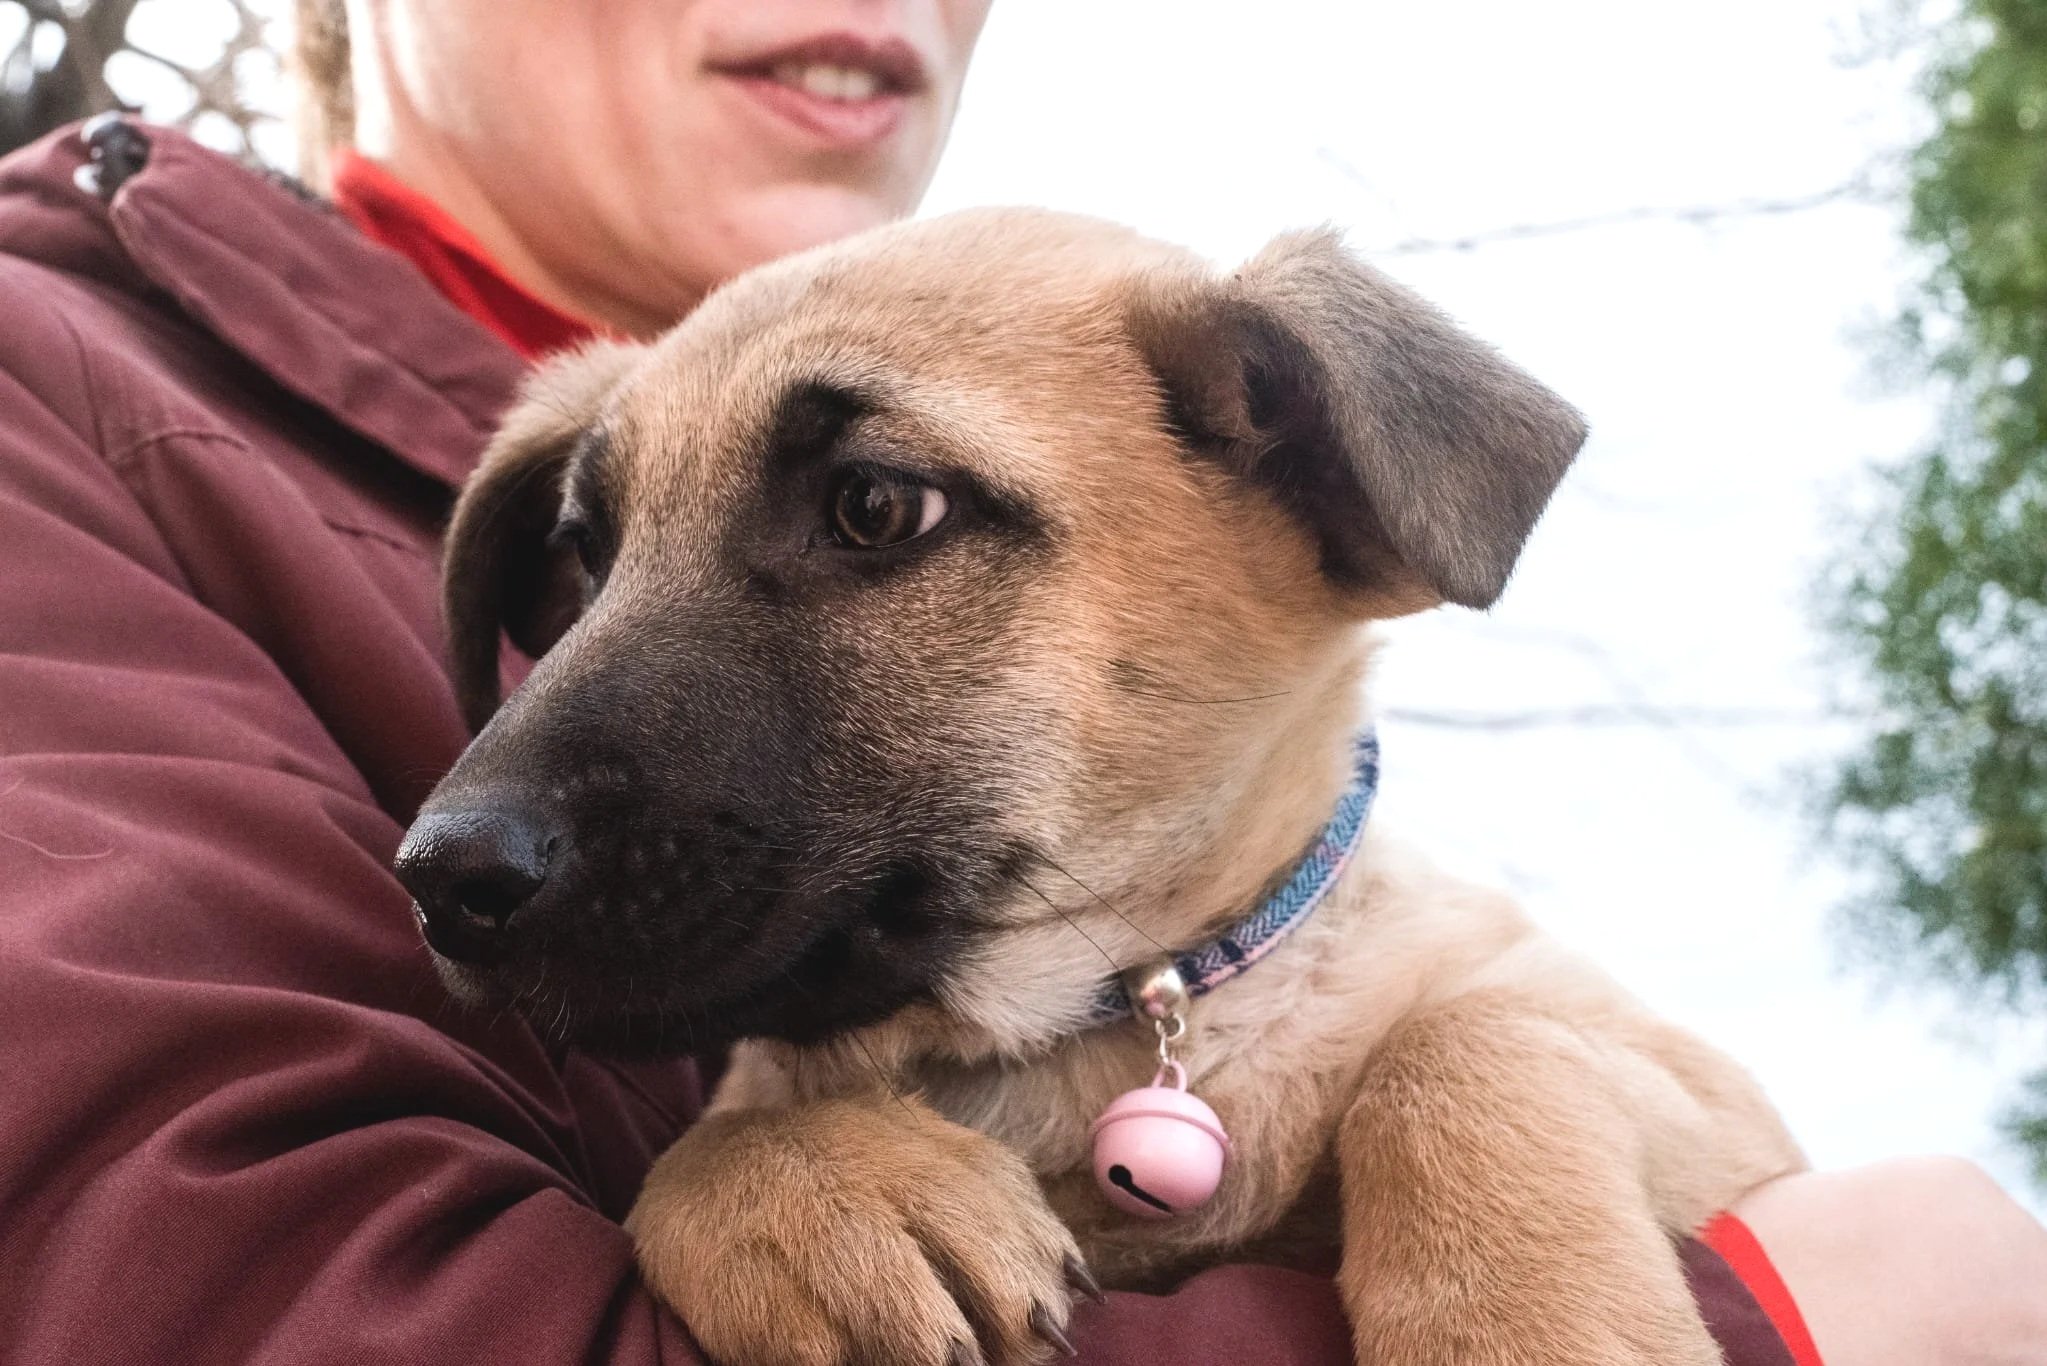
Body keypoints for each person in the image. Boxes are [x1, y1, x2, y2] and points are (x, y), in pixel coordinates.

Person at [0, 1, 2040, 1361]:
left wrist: (1480, 1114)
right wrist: (1773, 1306)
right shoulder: (62, 403)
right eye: (592, 558)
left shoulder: (1317, 825)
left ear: (1330, 499)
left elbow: (1686, 1112)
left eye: (874, 515)